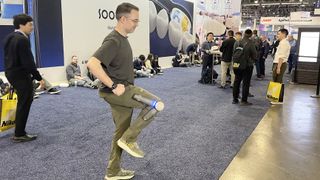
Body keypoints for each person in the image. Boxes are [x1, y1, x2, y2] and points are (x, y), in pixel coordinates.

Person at [86, 3, 164, 180]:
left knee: (119, 133)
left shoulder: (122, 39)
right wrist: (113, 85)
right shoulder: (113, 40)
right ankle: (129, 139)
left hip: (116, 93)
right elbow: (92, 64)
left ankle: (112, 171)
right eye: (135, 20)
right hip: (119, 91)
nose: (137, 24)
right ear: (123, 19)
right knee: (156, 105)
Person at [3, 14, 45, 142]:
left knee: (21, 102)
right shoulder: (22, 39)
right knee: (24, 103)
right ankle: (19, 134)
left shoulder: (9, 37)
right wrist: (39, 78)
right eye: (30, 24)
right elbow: (28, 62)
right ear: (22, 25)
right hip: (21, 75)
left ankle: (19, 131)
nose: (32, 27)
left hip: (11, 73)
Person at [232, 29, 257, 106]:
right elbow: (255, 55)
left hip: (237, 64)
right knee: (246, 83)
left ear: (243, 34)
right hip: (247, 65)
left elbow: (234, 52)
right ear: (250, 35)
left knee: (236, 81)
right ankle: (244, 100)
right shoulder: (250, 43)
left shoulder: (237, 42)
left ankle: (235, 99)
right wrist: (252, 61)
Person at [271, 29, 290, 105]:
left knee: (277, 81)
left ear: (283, 34)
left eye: (279, 34)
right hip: (279, 63)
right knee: (277, 80)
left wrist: (278, 67)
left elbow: (281, 57)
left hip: (280, 64)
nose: (277, 35)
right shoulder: (282, 43)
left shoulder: (284, 43)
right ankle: (277, 98)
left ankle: (277, 99)